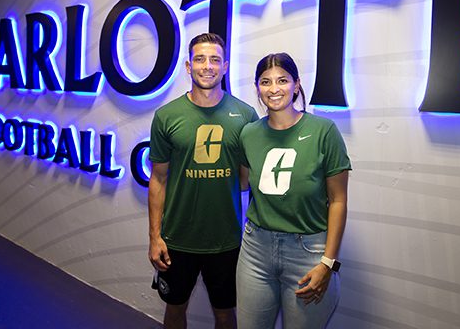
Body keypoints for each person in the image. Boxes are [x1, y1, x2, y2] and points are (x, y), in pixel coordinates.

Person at [148, 33, 259, 328]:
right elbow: (158, 179)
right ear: (188, 66)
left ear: (224, 66)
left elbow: (246, 180)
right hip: (177, 238)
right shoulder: (166, 116)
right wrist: (154, 236)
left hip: (226, 240)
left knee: (225, 313)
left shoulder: (245, 115)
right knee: (174, 309)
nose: (206, 66)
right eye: (199, 59)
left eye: (214, 60)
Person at [236, 53, 351, 329]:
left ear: (297, 85)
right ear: (257, 88)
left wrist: (328, 262)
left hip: (308, 252)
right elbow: (242, 183)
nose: (274, 89)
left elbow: (338, 200)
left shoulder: (324, 131)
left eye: (282, 80)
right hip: (255, 251)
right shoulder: (249, 134)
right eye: (265, 82)